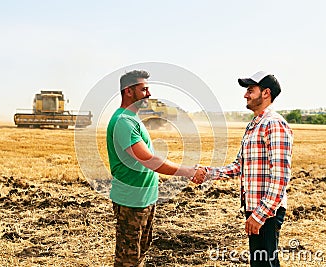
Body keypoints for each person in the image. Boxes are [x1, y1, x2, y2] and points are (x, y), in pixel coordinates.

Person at [106, 70, 206, 267]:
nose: (149, 94)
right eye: (143, 89)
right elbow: (149, 160)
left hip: (143, 200)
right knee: (128, 260)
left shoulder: (132, 119)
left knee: (139, 254)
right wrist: (189, 172)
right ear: (128, 92)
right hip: (131, 202)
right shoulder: (123, 122)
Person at [204, 71, 293, 267]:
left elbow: (280, 176)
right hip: (253, 208)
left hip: (267, 211)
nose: (245, 95)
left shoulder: (274, 124)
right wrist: (207, 173)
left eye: (250, 90)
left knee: (267, 264)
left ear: (266, 93)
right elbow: (238, 166)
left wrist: (260, 215)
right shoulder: (253, 125)